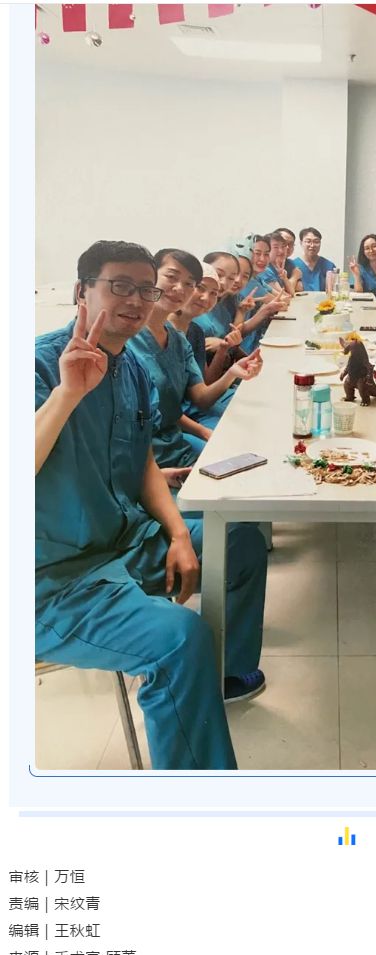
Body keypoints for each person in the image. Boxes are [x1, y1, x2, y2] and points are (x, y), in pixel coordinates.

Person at [35, 241, 268, 770]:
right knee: (179, 640)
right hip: (55, 580)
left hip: (128, 541)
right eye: (120, 286)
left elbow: (141, 458)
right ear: (81, 292)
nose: (137, 300)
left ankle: (225, 677)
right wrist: (67, 394)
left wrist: (179, 534)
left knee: (240, 540)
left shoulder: (131, 368)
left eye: (145, 289)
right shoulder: (38, 365)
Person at [129, 248, 260, 462]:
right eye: (171, 277)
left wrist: (233, 372)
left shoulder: (179, 340)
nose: (180, 288)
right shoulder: (126, 338)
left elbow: (199, 398)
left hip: (172, 438)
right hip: (143, 452)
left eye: (189, 283)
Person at [168, 262, 245, 435]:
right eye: (200, 288)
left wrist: (224, 351)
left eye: (213, 293)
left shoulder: (195, 331)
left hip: (195, 409)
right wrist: (203, 432)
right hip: (175, 423)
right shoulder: (162, 333)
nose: (205, 298)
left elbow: (205, 384)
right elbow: (163, 406)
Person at [293, 227, 336, 291]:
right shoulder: (293, 265)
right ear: (301, 243)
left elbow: (334, 290)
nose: (312, 245)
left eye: (316, 242)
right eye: (308, 241)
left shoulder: (328, 266)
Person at [348, 233, 376, 297]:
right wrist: (357, 275)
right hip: (368, 303)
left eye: (374, 246)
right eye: (367, 248)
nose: (371, 250)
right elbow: (358, 293)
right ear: (363, 252)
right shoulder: (360, 268)